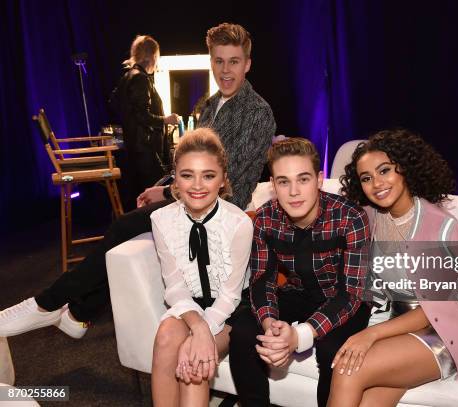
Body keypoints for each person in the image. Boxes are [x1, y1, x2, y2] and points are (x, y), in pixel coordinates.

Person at [0, 23, 275, 340]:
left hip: (216, 214)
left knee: (122, 227)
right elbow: (190, 163)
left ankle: (47, 304)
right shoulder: (212, 106)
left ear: (248, 64)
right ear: (211, 60)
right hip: (189, 201)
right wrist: (163, 187)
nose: (225, 70)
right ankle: (78, 315)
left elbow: (232, 186)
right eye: (219, 61)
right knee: (126, 234)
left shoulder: (257, 112)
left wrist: (172, 195)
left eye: (234, 62)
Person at [327, 129, 458, 407]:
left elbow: (430, 312)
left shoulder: (441, 228)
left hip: (442, 333)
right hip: (398, 327)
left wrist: (368, 335)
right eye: (366, 178)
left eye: (385, 171)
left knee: (348, 367)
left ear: (404, 168)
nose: (377, 183)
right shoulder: (372, 218)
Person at [228, 138, 371, 407]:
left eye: (303, 179)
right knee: (244, 332)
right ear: (273, 185)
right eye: (284, 181)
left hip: (344, 299)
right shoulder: (267, 217)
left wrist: (301, 334)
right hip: (299, 293)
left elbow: (351, 294)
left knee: (332, 351)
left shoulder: (350, 217)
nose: (294, 191)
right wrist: (270, 325)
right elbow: (262, 280)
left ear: (319, 179)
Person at [150, 128, 252, 406]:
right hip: (189, 308)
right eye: (187, 175)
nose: (197, 185)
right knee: (166, 337)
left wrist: (200, 336)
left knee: (194, 362)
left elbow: (231, 296)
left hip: (231, 312)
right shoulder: (161, 219)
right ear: (176, 179)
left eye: (208, 175)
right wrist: (199, 328)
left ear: (223, 180)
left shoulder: (239, 223)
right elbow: (174, 287)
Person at [115, 35, 179, 210]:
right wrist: (166, 120)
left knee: (142, 196)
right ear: (152, 56)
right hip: (145, 149)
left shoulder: (127, 77)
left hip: (135, 148)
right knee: (157, 195)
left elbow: (118, 106)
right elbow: (142, 116)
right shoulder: (140, 79)